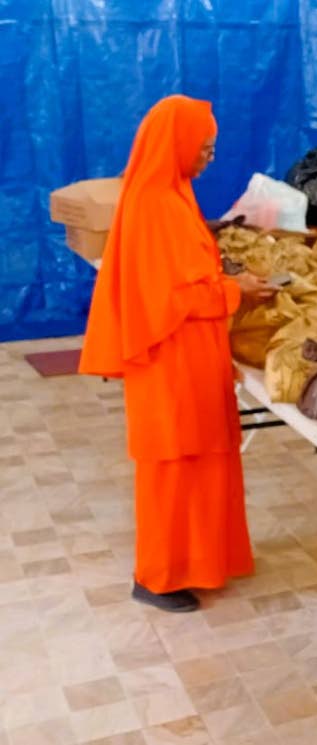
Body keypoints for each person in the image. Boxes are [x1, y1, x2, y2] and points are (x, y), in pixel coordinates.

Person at [78, 95, 276, 612]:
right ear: (176, 145)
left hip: (192, 354)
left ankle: (200, 563)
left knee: (203, 463)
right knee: (172, 468)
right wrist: (236, 291)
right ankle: (157, 576)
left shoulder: (175, 193)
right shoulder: (154, 205)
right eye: (203, 148)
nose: (210, 157)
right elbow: (168, 298)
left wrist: (227, 283)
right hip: (168, 362)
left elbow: (188, 275)